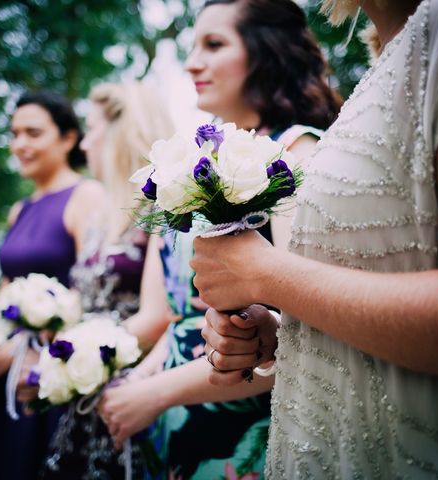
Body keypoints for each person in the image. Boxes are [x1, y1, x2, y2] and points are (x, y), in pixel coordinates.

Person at [190, 0, 438, 478]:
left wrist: (265, 274)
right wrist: (280, 336)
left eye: (215, 44)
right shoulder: (384, 65)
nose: (193, 61)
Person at [98, 1, 341, 478]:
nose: (192, 63)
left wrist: (156, 393)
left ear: (264, 52)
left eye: (214, 44)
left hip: (239, 422)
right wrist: (137, 382)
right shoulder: (196, 165)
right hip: (172, 418)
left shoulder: (296, 154)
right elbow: (176, 311)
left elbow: (299, 327)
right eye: (191, 47)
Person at [0, 90, 106, 480]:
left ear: (68, 138)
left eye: (33, 133)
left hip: (45, 371)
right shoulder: (19, 208)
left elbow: (91, 291)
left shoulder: (87, 196)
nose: (19, 144)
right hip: (2, 368)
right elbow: (6, 287)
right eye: (15, 133)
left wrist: (19, 352)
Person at [28, 82, 176, 479]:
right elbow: (82, 294)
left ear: (120, 132)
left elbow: (159, 315)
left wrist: (76, 358)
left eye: (92, 130)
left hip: (132, 383)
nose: (85, 143)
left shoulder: (162, 208)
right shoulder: (99, 213)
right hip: (89, 384)